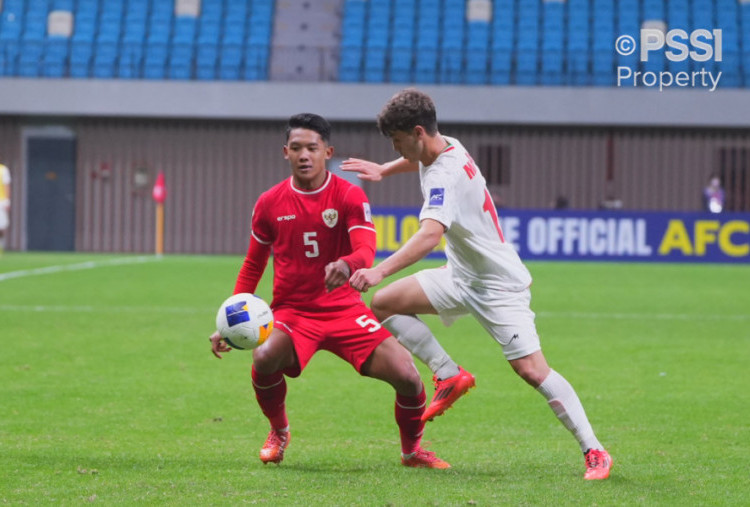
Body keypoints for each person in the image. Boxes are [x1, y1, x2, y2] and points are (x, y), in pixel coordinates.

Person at [341, 88, 613, 480]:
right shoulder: (445, 144)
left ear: (418, 132)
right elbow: (416, 161)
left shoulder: (443, 174)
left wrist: (380, 269)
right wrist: (386, 168)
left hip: (497, 285)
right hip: (460, 275)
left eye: (398, 141)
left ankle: (595, 451)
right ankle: (448, 373)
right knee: (384, 304)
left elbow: (429, 237)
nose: (397, 148)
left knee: (533, 371)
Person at [209, 113, 449, 469]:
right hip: (293, 313)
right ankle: (279, 431)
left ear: (327, 151)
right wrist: (228, 320)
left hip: (345, 310)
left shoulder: (348, 195)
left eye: (312, 148)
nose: (304, 155)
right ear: (285, 153)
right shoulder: (269, 203)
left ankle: (412, 451)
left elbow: (367, 249)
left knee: (408, 375)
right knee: (263, 357)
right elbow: (253, 265)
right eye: (296, 148)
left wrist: (348, 264)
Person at [0, 161, 10, 255]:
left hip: (1, 201)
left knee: (1, 227)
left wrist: (7, 201)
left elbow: (6, 186)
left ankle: (1, 245)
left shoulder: (3, 170)